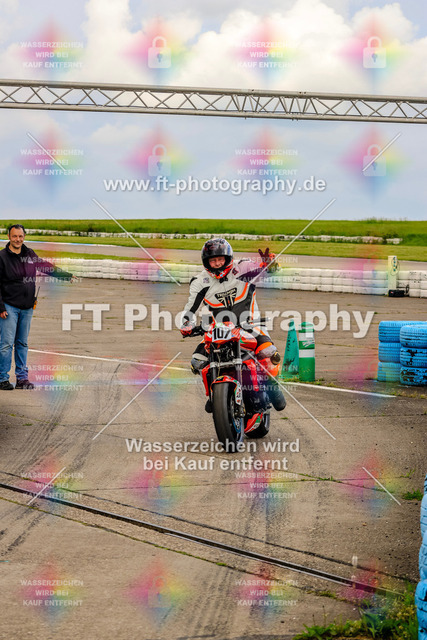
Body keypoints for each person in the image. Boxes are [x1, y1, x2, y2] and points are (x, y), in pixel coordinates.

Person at [180, 238, 286, 412]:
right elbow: (190, 308)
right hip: (219, 330)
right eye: (213, 260)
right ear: (206, 262)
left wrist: (270, 263)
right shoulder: (200, 281)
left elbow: (266, 271)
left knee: (268, 354)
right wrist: (186, 324)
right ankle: (215, 394)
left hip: (250, 325)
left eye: (220, 259)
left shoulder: (243, 268)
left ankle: (272, 387)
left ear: (228, 258)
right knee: (197, 361)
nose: (217, 264)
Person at [0, 224, 74, 390]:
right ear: (9, 237)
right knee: (6, 344)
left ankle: (22, 379)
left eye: (20, 236)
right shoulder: (2, 257)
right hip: (9, 307)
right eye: (14, 236)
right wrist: (0, 307)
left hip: (27, 307)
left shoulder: (30, 254)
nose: (17, 239)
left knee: (22, 343)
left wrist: (65, 275)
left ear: (24, 237)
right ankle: (2, 378)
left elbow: (44, 266)